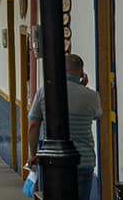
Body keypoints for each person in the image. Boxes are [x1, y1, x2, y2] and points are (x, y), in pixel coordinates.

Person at [27, 54, 102, 200]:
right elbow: (97, 116)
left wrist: (33, 154)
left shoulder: (45, 92)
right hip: (84, 160)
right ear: (81, 73)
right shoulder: (92, 96)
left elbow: (33, 125)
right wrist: (82, 88)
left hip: (53, 161)